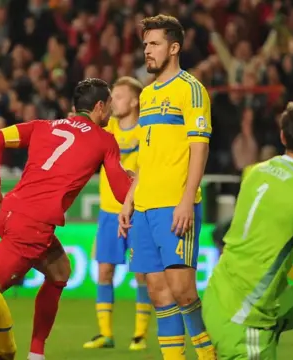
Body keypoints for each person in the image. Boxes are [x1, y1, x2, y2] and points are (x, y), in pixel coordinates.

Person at [0, 78, 133, 360]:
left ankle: (36, 354)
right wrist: (137, 181)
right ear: (99, 107)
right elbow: (123, 193)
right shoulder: (104, 141)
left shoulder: (44, 126)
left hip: (10, 212)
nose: (110, 113)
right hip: (32, 226)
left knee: (60, 272)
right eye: (109, 106)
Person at [203, 98, 293, 359]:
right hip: (245, 320)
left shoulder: (254, 172)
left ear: (282, 135)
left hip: (216, 295)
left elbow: (259, 248)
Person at [118, 15, 216, 360]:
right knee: (158, 292)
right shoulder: (146, 95)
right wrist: (129, 200)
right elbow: (146, 155)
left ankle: (207, 355)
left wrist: (187, 200)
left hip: (175, 205)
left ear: (174, 48)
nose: (147, 50)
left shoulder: (191, 89)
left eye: (154, 44)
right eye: (145, 44)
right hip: (144, 207)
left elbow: (199, 147)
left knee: (183, 290)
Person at [82, 77, 152, 351]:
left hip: (137, 212)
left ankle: (139, 335)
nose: (114, 102)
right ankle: (105, 334)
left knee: (142, 275)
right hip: (109, 212)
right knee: (104, 271)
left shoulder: (145, 130)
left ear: (134, 101)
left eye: (119, 96)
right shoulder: (106, 127)